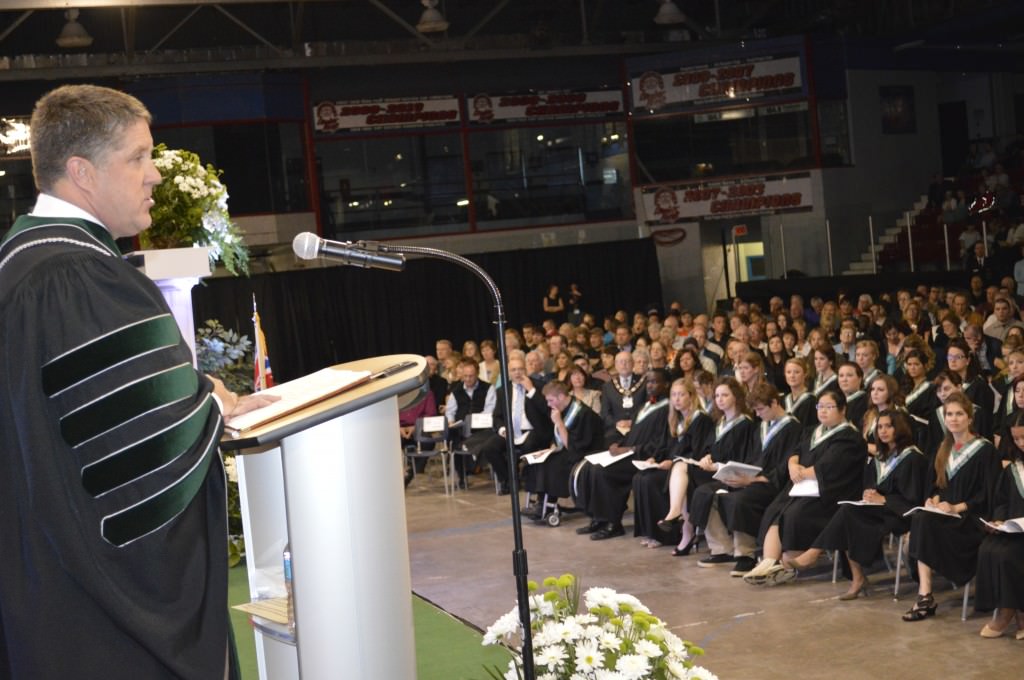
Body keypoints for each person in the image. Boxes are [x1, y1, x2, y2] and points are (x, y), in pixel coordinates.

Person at [0, 84, 277, 678]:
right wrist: (208, 403)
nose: (154, 175)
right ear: (82, 172)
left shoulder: (21, 262)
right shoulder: (78, 276)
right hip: (99, 622)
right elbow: (142, 455)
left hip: (37, 591)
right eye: (137, 157)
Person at [787, 410, 928, 599]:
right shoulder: (880, 457)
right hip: (879, 510)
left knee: (848, 515)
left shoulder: (913, 458)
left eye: (888, 426)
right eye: (879, 427)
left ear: (900, 428)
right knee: (847, 512)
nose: (883, 431)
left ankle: (819, 556)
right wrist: (868, 493)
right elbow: (870, 483)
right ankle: (856, 577)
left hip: (901, 514)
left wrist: (884, 499)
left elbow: (914, 498)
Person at [743, 390, 867, 585]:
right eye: (820, 407)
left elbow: (830, 466)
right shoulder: (812, 431)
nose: (823, 411)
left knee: (795, 514)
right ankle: (767, 564)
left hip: (830, 492)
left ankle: (786, 566)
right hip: (803, 487)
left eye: (829, 407)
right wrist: (792, 465)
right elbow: (796, 451)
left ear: (843, 409)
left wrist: (802, 473)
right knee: (776, 510)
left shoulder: (850, 437)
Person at [902, 392, 1001, 622]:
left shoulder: (985, 450)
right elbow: (936, 486)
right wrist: (933, 499)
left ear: (970, 418)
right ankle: (925, 594)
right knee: (921, 518)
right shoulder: (943, 448)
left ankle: (925, 597)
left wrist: (958, 507)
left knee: (922, 525)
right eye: (949, 414)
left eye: (959, 414)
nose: (954, 419)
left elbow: (989, 495)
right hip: (944, 516)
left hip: (971, 519)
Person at [574, 369, 672, 540]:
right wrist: (618, 444)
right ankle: (599, 518)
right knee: (590, 467)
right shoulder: (644, 405)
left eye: (655, 382)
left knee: (603, 472)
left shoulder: (668, 409)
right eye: (648, 382)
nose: (650, 385)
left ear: (666, 385)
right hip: (629, 451)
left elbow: (659, 443)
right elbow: (633, 432)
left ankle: (613, 523)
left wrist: (629, 449)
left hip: (645, 456)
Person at [631, 379, 714, 548]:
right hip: (670, 465)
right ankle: (650, 531)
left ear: (691, 396)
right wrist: (654, 458)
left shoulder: (701, 419)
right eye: (674, 395)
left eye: (681, 394)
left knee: (650, 481)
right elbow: (663, 446)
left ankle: (666, 535)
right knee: (640, 477)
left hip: (690, 469)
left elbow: (697, 452)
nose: (676, 399)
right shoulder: (673, 419)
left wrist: (672, 461)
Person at [521, 380, 604, 521]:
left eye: (550, 400)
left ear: (560, 397)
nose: (548, 404)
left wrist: (559, 423)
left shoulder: (583, 413)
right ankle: (541, 502)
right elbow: (558, 438)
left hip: (585, 453)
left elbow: (573, 446)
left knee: (552, 464)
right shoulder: (563, 409)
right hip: (569, 449)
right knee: (535, 460)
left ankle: (547, 506)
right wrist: (551, 448)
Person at [974, 409, 1024, 638]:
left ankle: (1010, 613)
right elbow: (1003, 500)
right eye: (1016, 439)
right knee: (988, 548)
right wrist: (999, 520)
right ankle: (1009, 610)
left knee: (1009, 554)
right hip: (1017, 528)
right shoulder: (1015, 467)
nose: (1021, 443)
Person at [476, 356, 552, 495]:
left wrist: (531, 391)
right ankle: (509, 479)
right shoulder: (502, 390)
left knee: (529, 446)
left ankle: (529, 479)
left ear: (526, 370)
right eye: (513, 370)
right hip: (510, 431)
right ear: (508, 373)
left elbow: (547, 410)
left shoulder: (539, 386)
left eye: (520, 369)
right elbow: (497, 416)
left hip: (532, 430)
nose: (517, 373)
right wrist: (502, 429)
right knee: (489, 447)